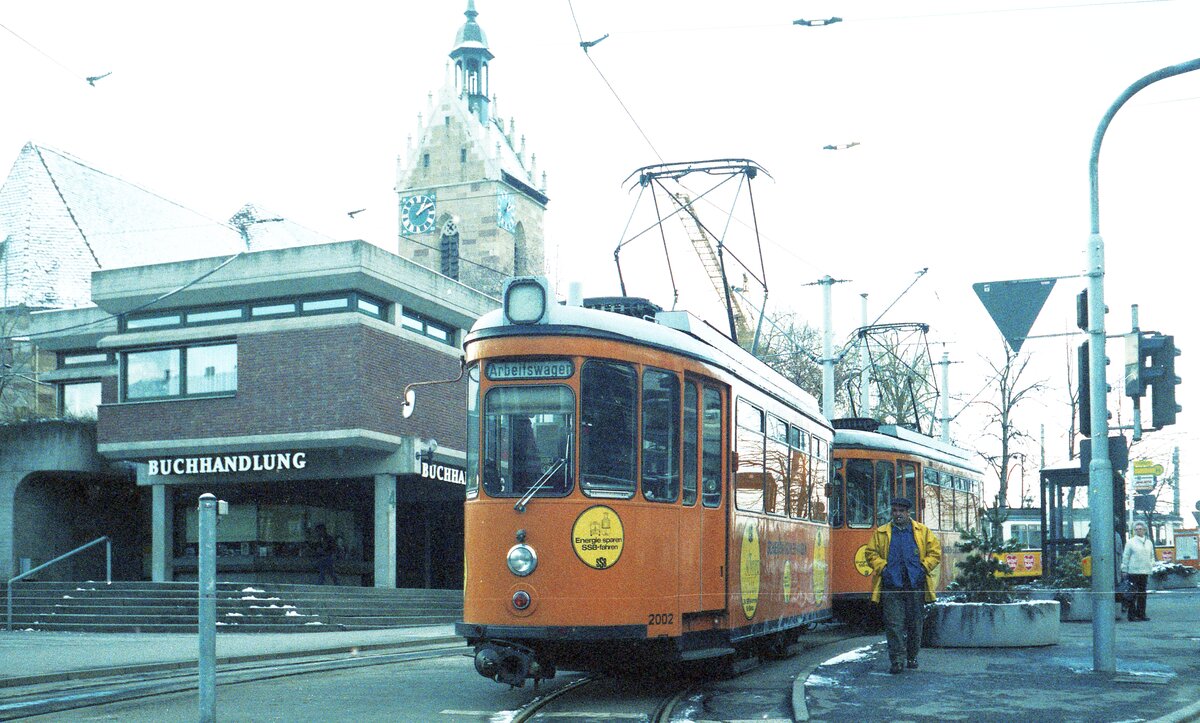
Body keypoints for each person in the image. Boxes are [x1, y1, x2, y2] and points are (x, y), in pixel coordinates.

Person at [863, 497, 942, 674]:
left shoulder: (922, 532)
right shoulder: (882, 533)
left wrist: (923, 567)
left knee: (915, 623)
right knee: (894, 624)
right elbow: (870, 553)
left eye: (901, 511)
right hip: (891, 585)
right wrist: (883, 568)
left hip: (915, 585)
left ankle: (912, 656)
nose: (897, 514)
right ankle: (897, 660)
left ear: (908, 513)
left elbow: (935, 552)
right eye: (894, 511)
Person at [1121, 520, 1155, 621]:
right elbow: (1126, 556)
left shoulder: (1149, 542)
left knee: (1142, 594)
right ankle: (1131, 615)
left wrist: (1151, 564)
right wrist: (1124, 569)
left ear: (1144, 530)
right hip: (1133, 571)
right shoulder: (1130, 542)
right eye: (1136, 529)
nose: (1138, 531)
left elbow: (1152, 556)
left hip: (1145, 571)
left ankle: (1142, 614)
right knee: (1132, 593)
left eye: (1140, 529)